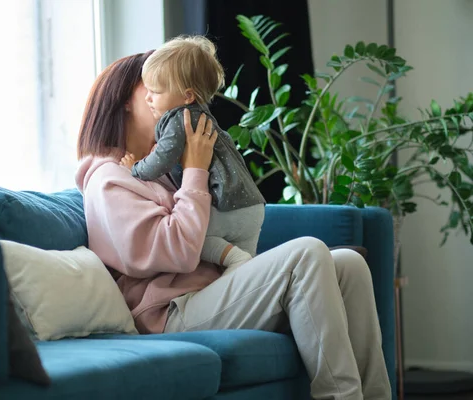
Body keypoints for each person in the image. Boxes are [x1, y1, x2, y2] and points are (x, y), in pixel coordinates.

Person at [75, 52, 391, 400]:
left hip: (213, 291)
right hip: (170, 313)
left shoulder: (162, 168)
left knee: (349, 263)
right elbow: (175, 253)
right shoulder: (108, 181)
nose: (161, 95)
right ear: (125, 103)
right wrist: (195, 170)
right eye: (150, 87)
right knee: (307, 253)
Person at [119, 36, 265, 273]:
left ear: (187, 96)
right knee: (243, 276)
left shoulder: (179, 119)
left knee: (193, 239)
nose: (148, 98)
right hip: (253, 206)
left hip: (228, 206)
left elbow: (161, 161)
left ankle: (236, 258)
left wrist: (135, 167)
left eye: (155, 92)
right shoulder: (203, 116)